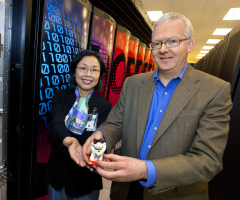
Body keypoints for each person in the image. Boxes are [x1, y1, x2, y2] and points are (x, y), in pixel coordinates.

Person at [82, 12, 233, 200]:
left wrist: (146, 170)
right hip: (126, 190)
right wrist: (101, 136)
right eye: (157, 43)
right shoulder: (134, 84)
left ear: (190, 45)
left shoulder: (215, 90)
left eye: (172, 41)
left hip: (172, 193)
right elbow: (114, 124)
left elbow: (208, 160)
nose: (163, 49)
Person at [46, 50, 112, 200]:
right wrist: (70, 142)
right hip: (59, 172)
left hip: (86, 175)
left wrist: (95, 157)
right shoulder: (61, 96)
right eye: (83, 68)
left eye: (94, 70)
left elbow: (102, 137)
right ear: (74, 72)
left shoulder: (105, 106)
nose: (88, 74)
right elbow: (56, 125)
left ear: (100, 75)